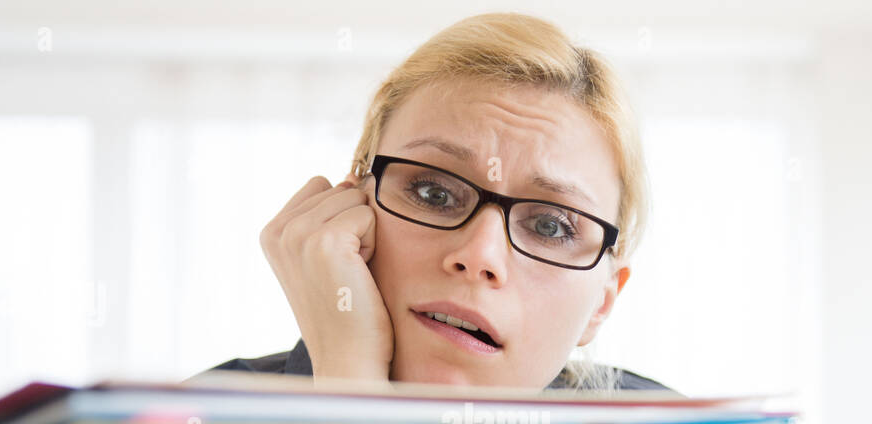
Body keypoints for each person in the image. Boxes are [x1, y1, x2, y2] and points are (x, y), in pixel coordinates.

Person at [196, 13, 678, 395]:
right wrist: (348, 372)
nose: (479, 256)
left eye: (551, 226)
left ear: (602, 302)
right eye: (435, 193)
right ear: (350, 212)